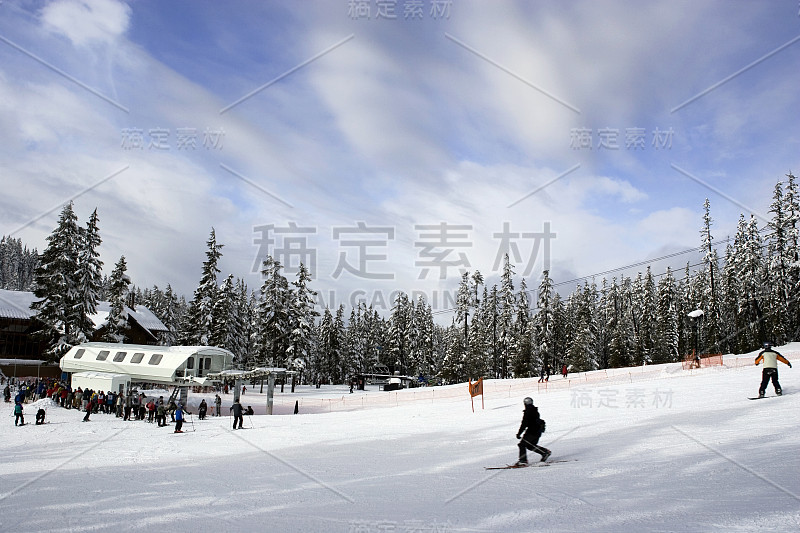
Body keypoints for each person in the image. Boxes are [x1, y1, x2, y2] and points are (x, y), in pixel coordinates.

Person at [515, 397, 551, 465]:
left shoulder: (528, 412)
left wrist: (519, 433)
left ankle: (523, 461)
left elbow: (524, 423)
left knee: (522, 445)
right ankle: (545, 452)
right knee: (530, 446)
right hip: (537, 431)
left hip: (532, 431)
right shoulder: (534, 410)